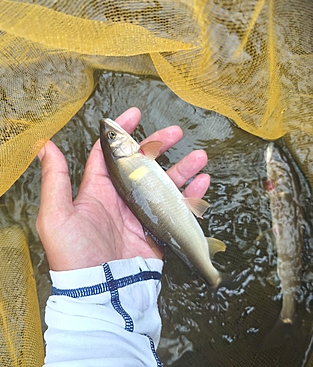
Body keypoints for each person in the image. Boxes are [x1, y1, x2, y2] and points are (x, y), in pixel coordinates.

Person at [36, 107, 210, 366]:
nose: (111, 134)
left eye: (111, 137)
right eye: (112, 139)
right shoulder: (138, 155)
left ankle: (210, 273)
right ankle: (211, 273)